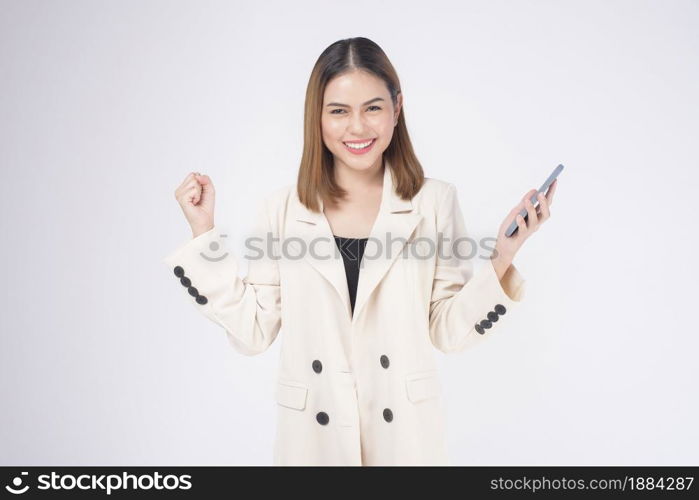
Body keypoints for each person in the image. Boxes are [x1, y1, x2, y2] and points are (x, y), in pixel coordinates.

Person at [163, 37, 557, 466]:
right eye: (338, 111)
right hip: (313, 441)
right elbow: (253, 329)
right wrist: (203, 230)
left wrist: (502, 256)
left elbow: (447, 330)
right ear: (317, 117)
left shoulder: (434, 203)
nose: (357, 128)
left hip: (405, 441)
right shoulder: (281, 209)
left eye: (372, 108)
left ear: (396, 109)